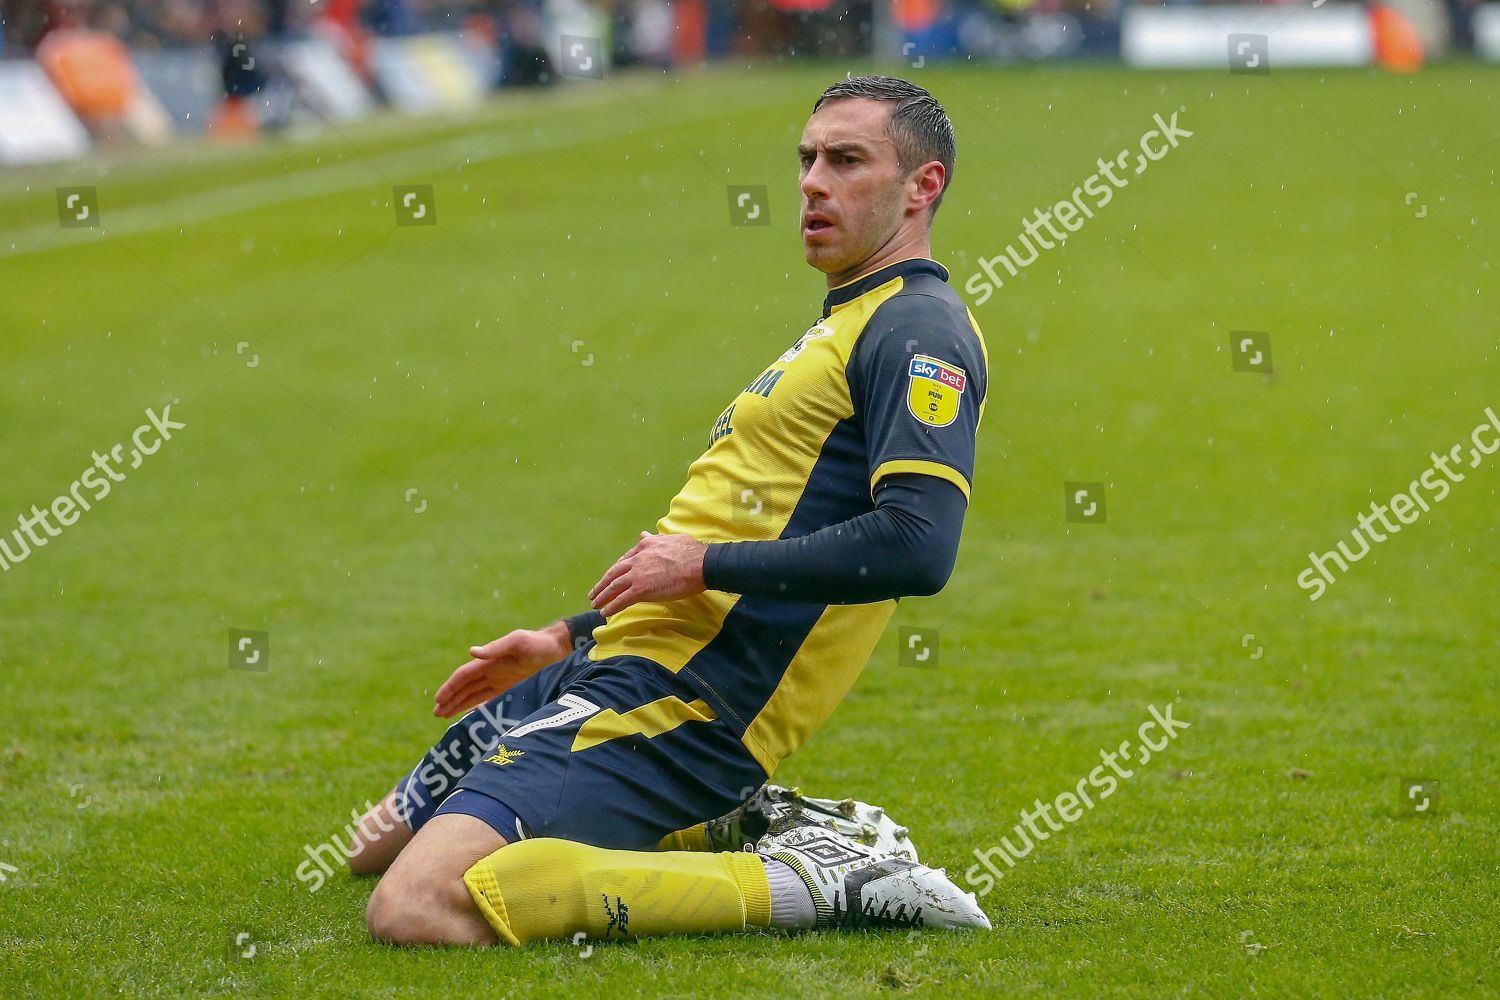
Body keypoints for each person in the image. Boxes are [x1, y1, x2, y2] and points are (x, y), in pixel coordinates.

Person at [354, 74, 992, 947]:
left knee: (415, 905)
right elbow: (755, 526)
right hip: (618, 659)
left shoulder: (918, 328)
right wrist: (569, 638)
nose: (812, 181)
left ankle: (810, 879)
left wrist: (697, 565)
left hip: (685, 704)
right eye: (806, 159)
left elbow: (919, 547)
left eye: (847, 160)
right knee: (375, 841)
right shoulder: (843, 321)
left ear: (925, 186)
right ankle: (724, 823)